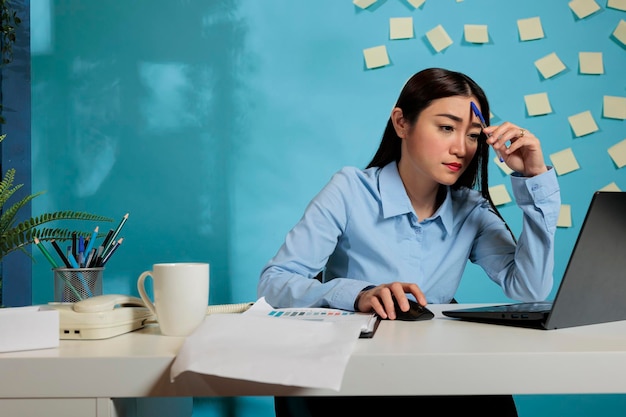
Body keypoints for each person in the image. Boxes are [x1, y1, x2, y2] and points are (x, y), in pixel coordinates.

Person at [258, 67, 561, 417]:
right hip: (354, 376)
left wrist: (533, 178)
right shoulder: (349, 190)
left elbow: (530, 288)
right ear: (401, 123)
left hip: (437, 374)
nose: (461, 148)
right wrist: (357, 294)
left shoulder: (471, 209)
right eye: (446, 127)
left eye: (474, 135)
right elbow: (274, 282)